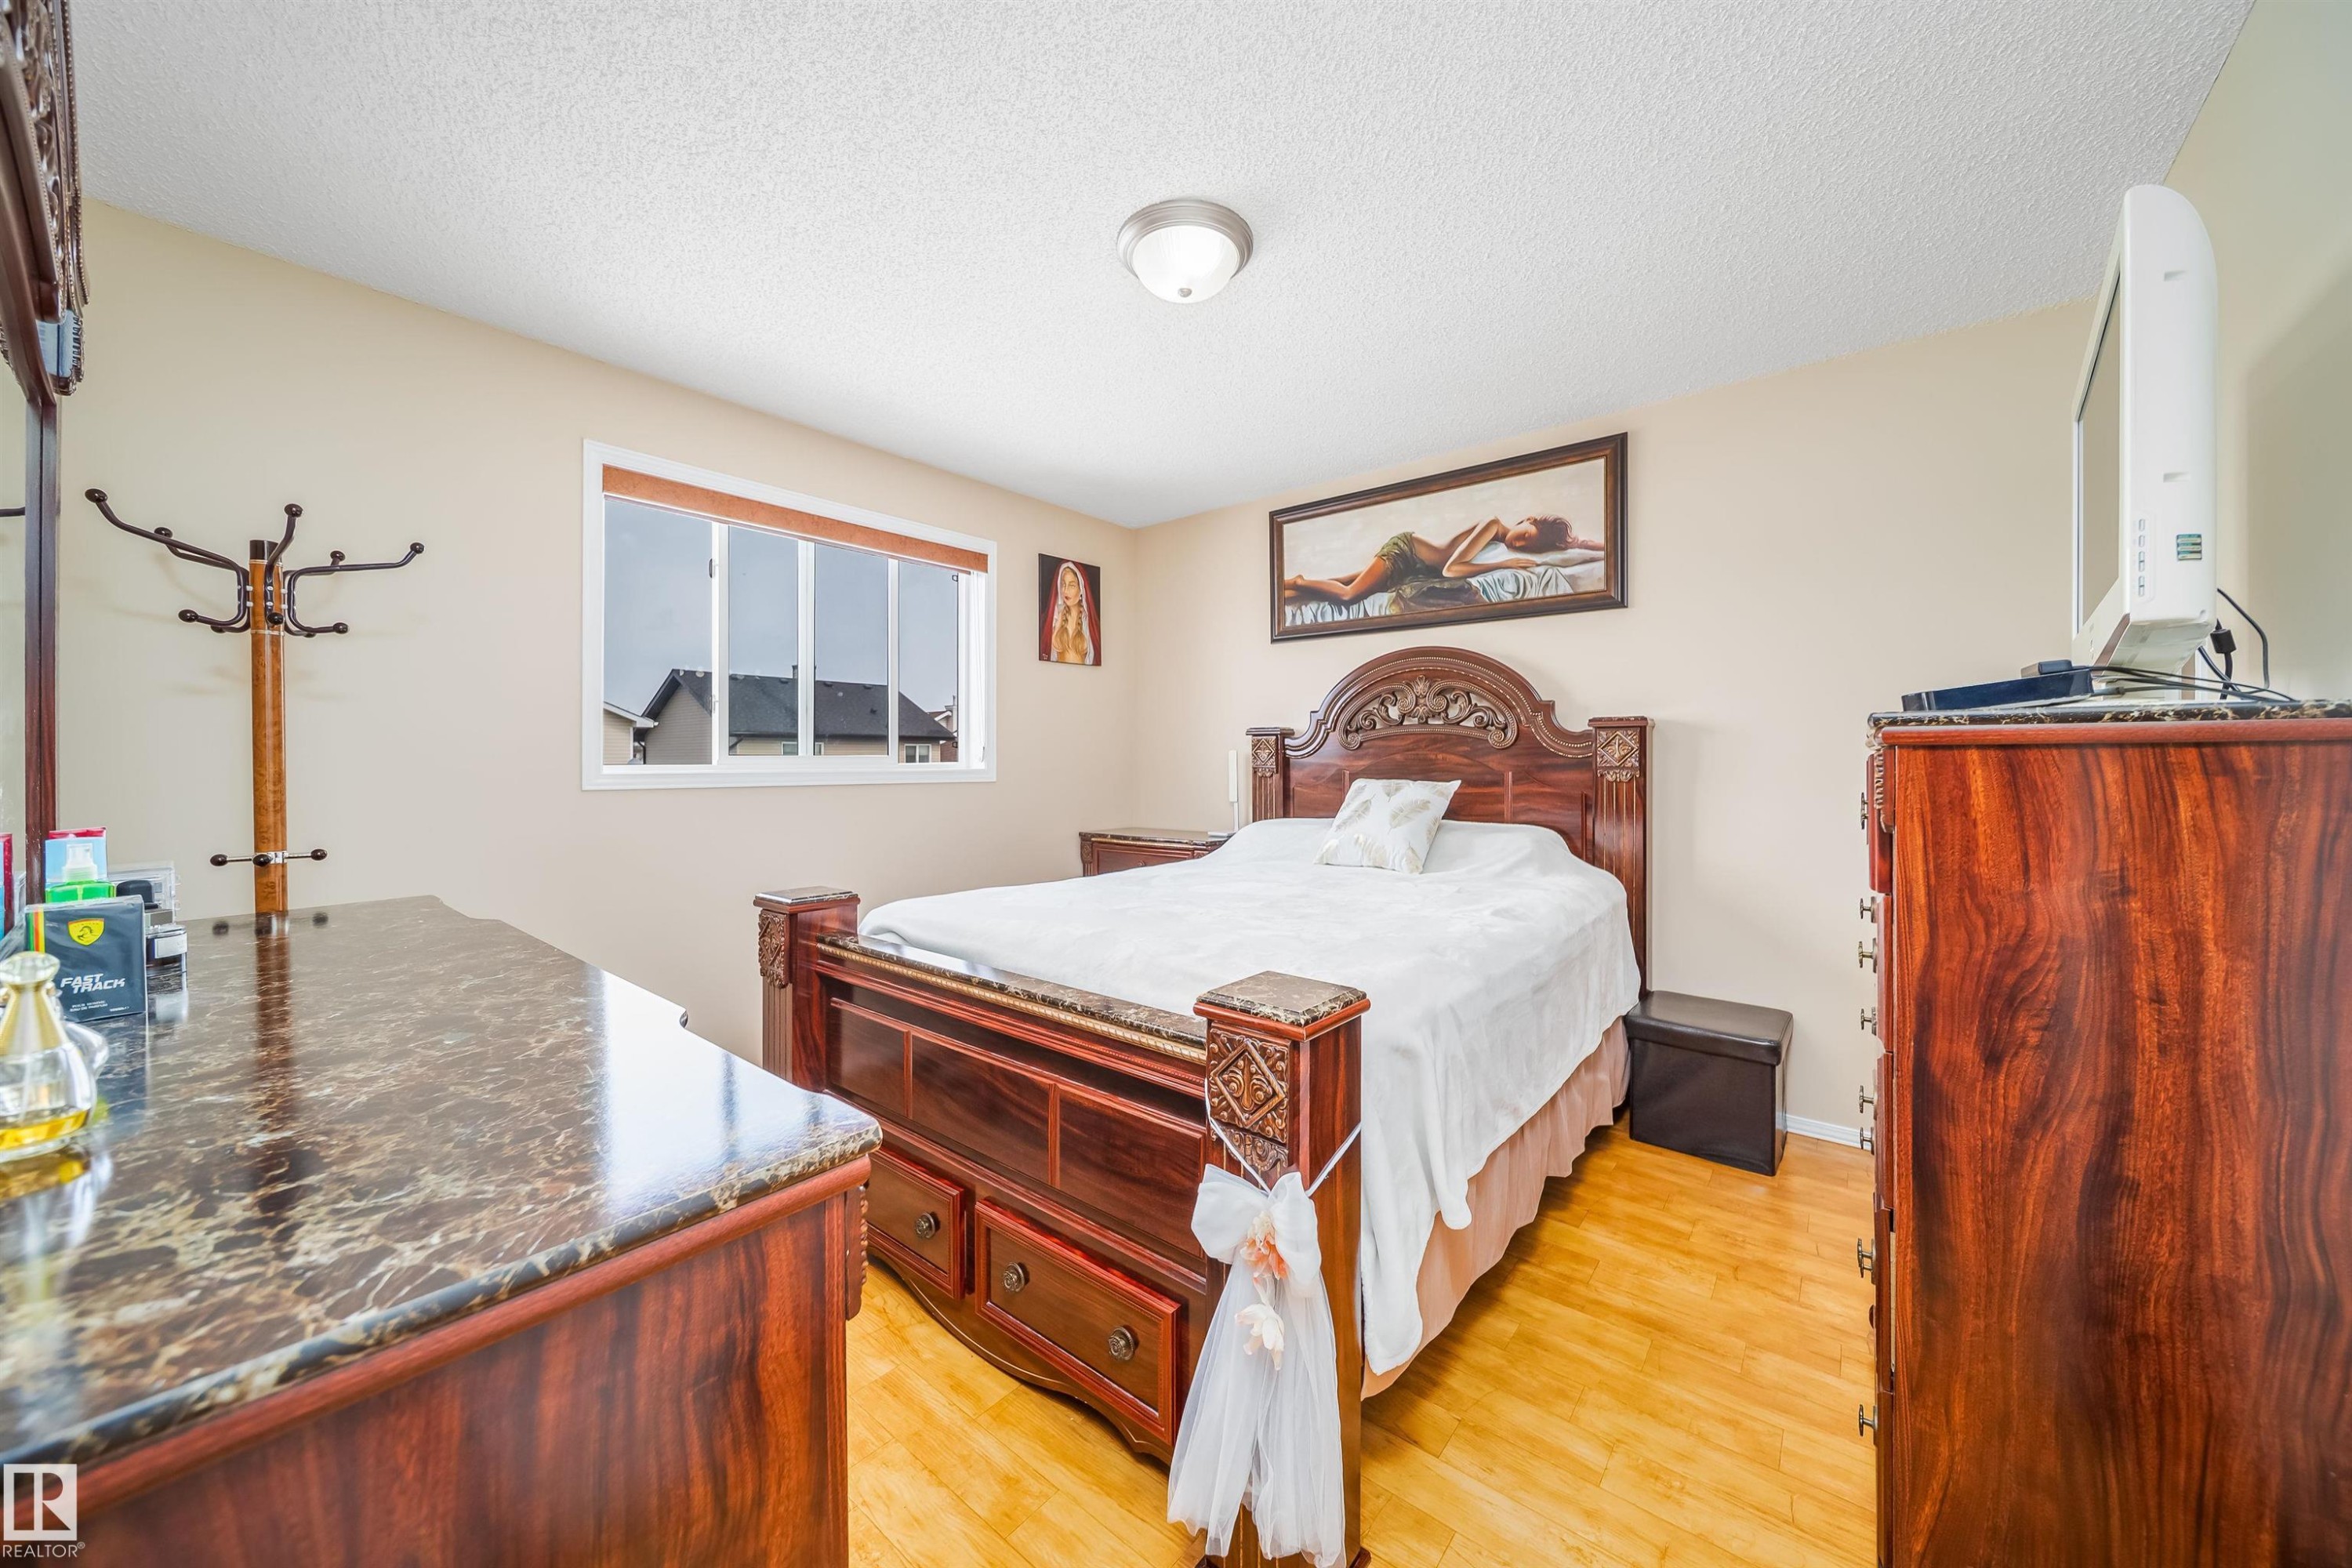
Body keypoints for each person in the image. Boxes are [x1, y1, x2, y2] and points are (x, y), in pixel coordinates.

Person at [1282, 515, 1601, 608]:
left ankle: (1291, 591)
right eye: (1526, 534)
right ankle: (1297, 581)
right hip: (1406, 553)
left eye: (1529, 545)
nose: (1520, 543)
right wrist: (1501, 566)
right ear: (1526, 519)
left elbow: (1576, 546)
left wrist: (1589, 544)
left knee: (1343, 584)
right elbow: (1452, 569)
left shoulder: (1505, 541)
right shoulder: (1492, 526)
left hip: (1415, 569)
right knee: (1349, 596)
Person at [1046, 560, 1098, 663]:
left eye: (1072, 585)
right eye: (1063, 584)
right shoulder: (1056, 617)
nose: (1065, 590)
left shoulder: (1087, 620)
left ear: (1081, 590)